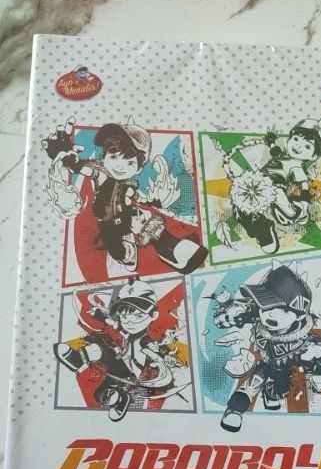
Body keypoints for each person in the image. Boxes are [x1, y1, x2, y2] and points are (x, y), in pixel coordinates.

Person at [214, 264, 321, 432]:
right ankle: (235, 410)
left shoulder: (304, 342)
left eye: (281, 309)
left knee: (280, 387)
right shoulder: (260, 320)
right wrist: (225, 316)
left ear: (299, 315)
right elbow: (239, 313)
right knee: (251, 385)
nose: (269, 313)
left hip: (287, 368)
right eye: (265, 305)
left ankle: (271, 393)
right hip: (265, 365)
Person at [42, 117, 207, 274]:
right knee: (124, 255)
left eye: (130, 162)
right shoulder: (102, 175)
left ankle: (177, 250)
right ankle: (128, 253)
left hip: (128, 216)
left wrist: (150, 202)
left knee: (149, 222)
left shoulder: (129, 185)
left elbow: (135, 199)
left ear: (139, 168)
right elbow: (85, 169)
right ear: (104, 157)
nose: (119, 166)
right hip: (110, 226)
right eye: (113, 156)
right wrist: (68, 159)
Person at [54, 277, 178, 421]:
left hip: (130, 373)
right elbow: (114, 324)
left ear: (153, 315)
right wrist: (99, 315)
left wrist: (163, 359)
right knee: (99, 392)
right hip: (117, 365)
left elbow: (154, 352)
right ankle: (76, 360)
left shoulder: (148, 341)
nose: (130, 322)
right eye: (124, 316)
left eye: (138, 316)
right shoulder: (125, 330)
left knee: (105, 380)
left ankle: (119, 400)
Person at [225, 119, 321, 254]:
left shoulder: (296, 167)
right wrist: (271, 141)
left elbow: (303, 185)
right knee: (239, 206)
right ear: (290, 139)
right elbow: (275, 152)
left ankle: (299, 214)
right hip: (256, 184)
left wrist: (303, 202)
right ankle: (261, 228)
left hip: (275, 189)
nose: (299, 146)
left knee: (290, 214)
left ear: (313, 156)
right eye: (296, 139)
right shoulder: (282, 156)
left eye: (307, 146)